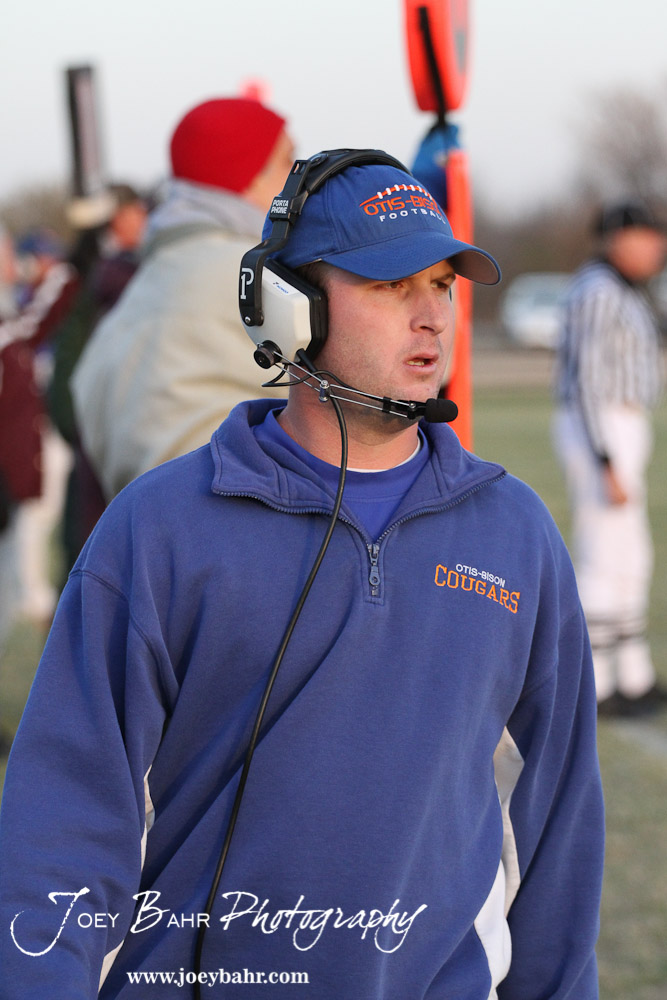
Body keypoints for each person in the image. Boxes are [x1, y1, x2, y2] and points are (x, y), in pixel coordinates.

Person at [0, 151, 604, 999]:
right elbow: (64, 817)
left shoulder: (514, 532)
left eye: (441, 286)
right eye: (390, 286)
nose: (430, 317)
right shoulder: (160, 527)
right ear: (290, 307)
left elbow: (561, 814)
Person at [71, 97, 293, 502]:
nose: (301, 182)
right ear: (250, 178)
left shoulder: (141, 287)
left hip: (147, 524)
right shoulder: (259, 274)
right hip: (251, 521)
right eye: (288, 163)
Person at [553, 200, 667, 717]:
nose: (657, 247)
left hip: (623, 423)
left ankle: (634, 674)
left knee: (630, 553)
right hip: (600, 425)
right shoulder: (597, 290)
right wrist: (604, 459)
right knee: (602, 550)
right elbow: (588, 383)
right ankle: (596, 683)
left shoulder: (626, 291)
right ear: (619, 237)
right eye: (648, 236)